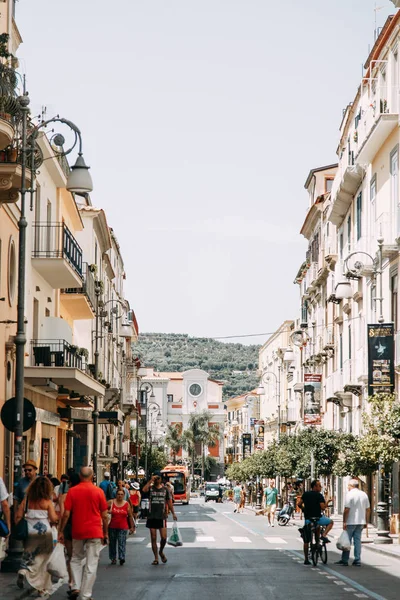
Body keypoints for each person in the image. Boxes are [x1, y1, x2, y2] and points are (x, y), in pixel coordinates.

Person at [59, 467, 109, 600]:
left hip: (78, 531)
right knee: (91, 563)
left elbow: (66, 514)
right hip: (94, 531)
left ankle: (75, 586)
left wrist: (61, 531)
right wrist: (105, 533)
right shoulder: (99, 492)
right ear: (92, 476)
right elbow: (104, 516)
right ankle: (85, 595)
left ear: (80, 476)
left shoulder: (72, 491)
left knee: (75, 558)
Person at [15, 476, 58, 594]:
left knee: (30, 554)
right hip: (45, 533)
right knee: (44, 560)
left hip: (30, 532)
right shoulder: (47, 502)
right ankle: (41, 588)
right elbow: (53, 518)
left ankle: (24, 570)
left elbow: (18, 515)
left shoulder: (27, 500)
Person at [142, 475, 177, 565]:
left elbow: (169, 502)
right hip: (152, 516)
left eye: (158, 478)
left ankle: (161, 551)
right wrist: (150, 480)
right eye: (155, 478)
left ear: (161, 479)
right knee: (153, 538)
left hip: (162, 516)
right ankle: (156, 558)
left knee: (164, 538)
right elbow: (144, 490)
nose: (157, 480)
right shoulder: (150, 488)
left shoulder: (165, 490)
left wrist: (173, 513)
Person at [335, 479, 370, 567]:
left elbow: (347, 509)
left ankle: (345, 560)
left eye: (348, 486)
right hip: (360, 521)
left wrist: (344, 521)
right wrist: (366, 521)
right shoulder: (364, 494)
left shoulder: (349, 495)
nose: (347, 487)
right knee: (357, 541)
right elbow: (368, 509)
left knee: (347, 540)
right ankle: (357, 560)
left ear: (351, 486)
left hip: (350, 521)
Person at [297, 479, 333, 565]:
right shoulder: (319, 495)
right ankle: (323, 535)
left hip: (308, 519)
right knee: (330, 522)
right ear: (315, 487)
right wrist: (327, 502)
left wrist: (304, 509)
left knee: (306, 540)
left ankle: (306, 559)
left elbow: (299, 504)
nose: (320, 487)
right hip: (318, 518)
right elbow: (323, 507)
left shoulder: (305, 494)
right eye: (319, 486)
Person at [58, 472, 80, 597]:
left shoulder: (66, 496)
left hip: (68, 527)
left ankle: (72, 582)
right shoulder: (83, 494)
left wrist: (60, 530)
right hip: (81, 527)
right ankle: (78, 583)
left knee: (71, 556)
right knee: (80, 557)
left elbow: (63, 514)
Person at [108, 488, 135, 565]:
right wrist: (108, 511)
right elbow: (103, 510)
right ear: (116, 495)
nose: (120, 496)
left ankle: (122, 557)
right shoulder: (111, 502)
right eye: (118, 494)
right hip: (112, 526)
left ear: (124, 495)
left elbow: (130, 516)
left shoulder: (126, 504)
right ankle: (113, 558)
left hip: (123, 527)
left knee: (122, 542)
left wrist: (132, 527)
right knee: (112, 543)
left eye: (121, 494)